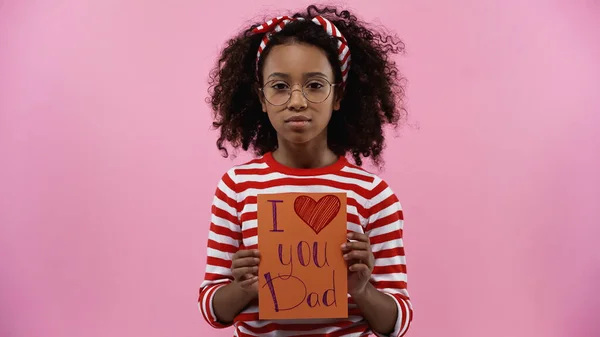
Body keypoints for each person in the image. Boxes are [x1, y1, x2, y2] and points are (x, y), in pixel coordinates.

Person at [197, 4, 413, 337]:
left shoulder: (373, 196)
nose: (297, 101)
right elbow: (212, 308)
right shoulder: (236, 188)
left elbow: (397, 322)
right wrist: (244, 286)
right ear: (262, 97)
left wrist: (361, 288)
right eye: (280, 86)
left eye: (314, 85)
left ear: (338, 95)